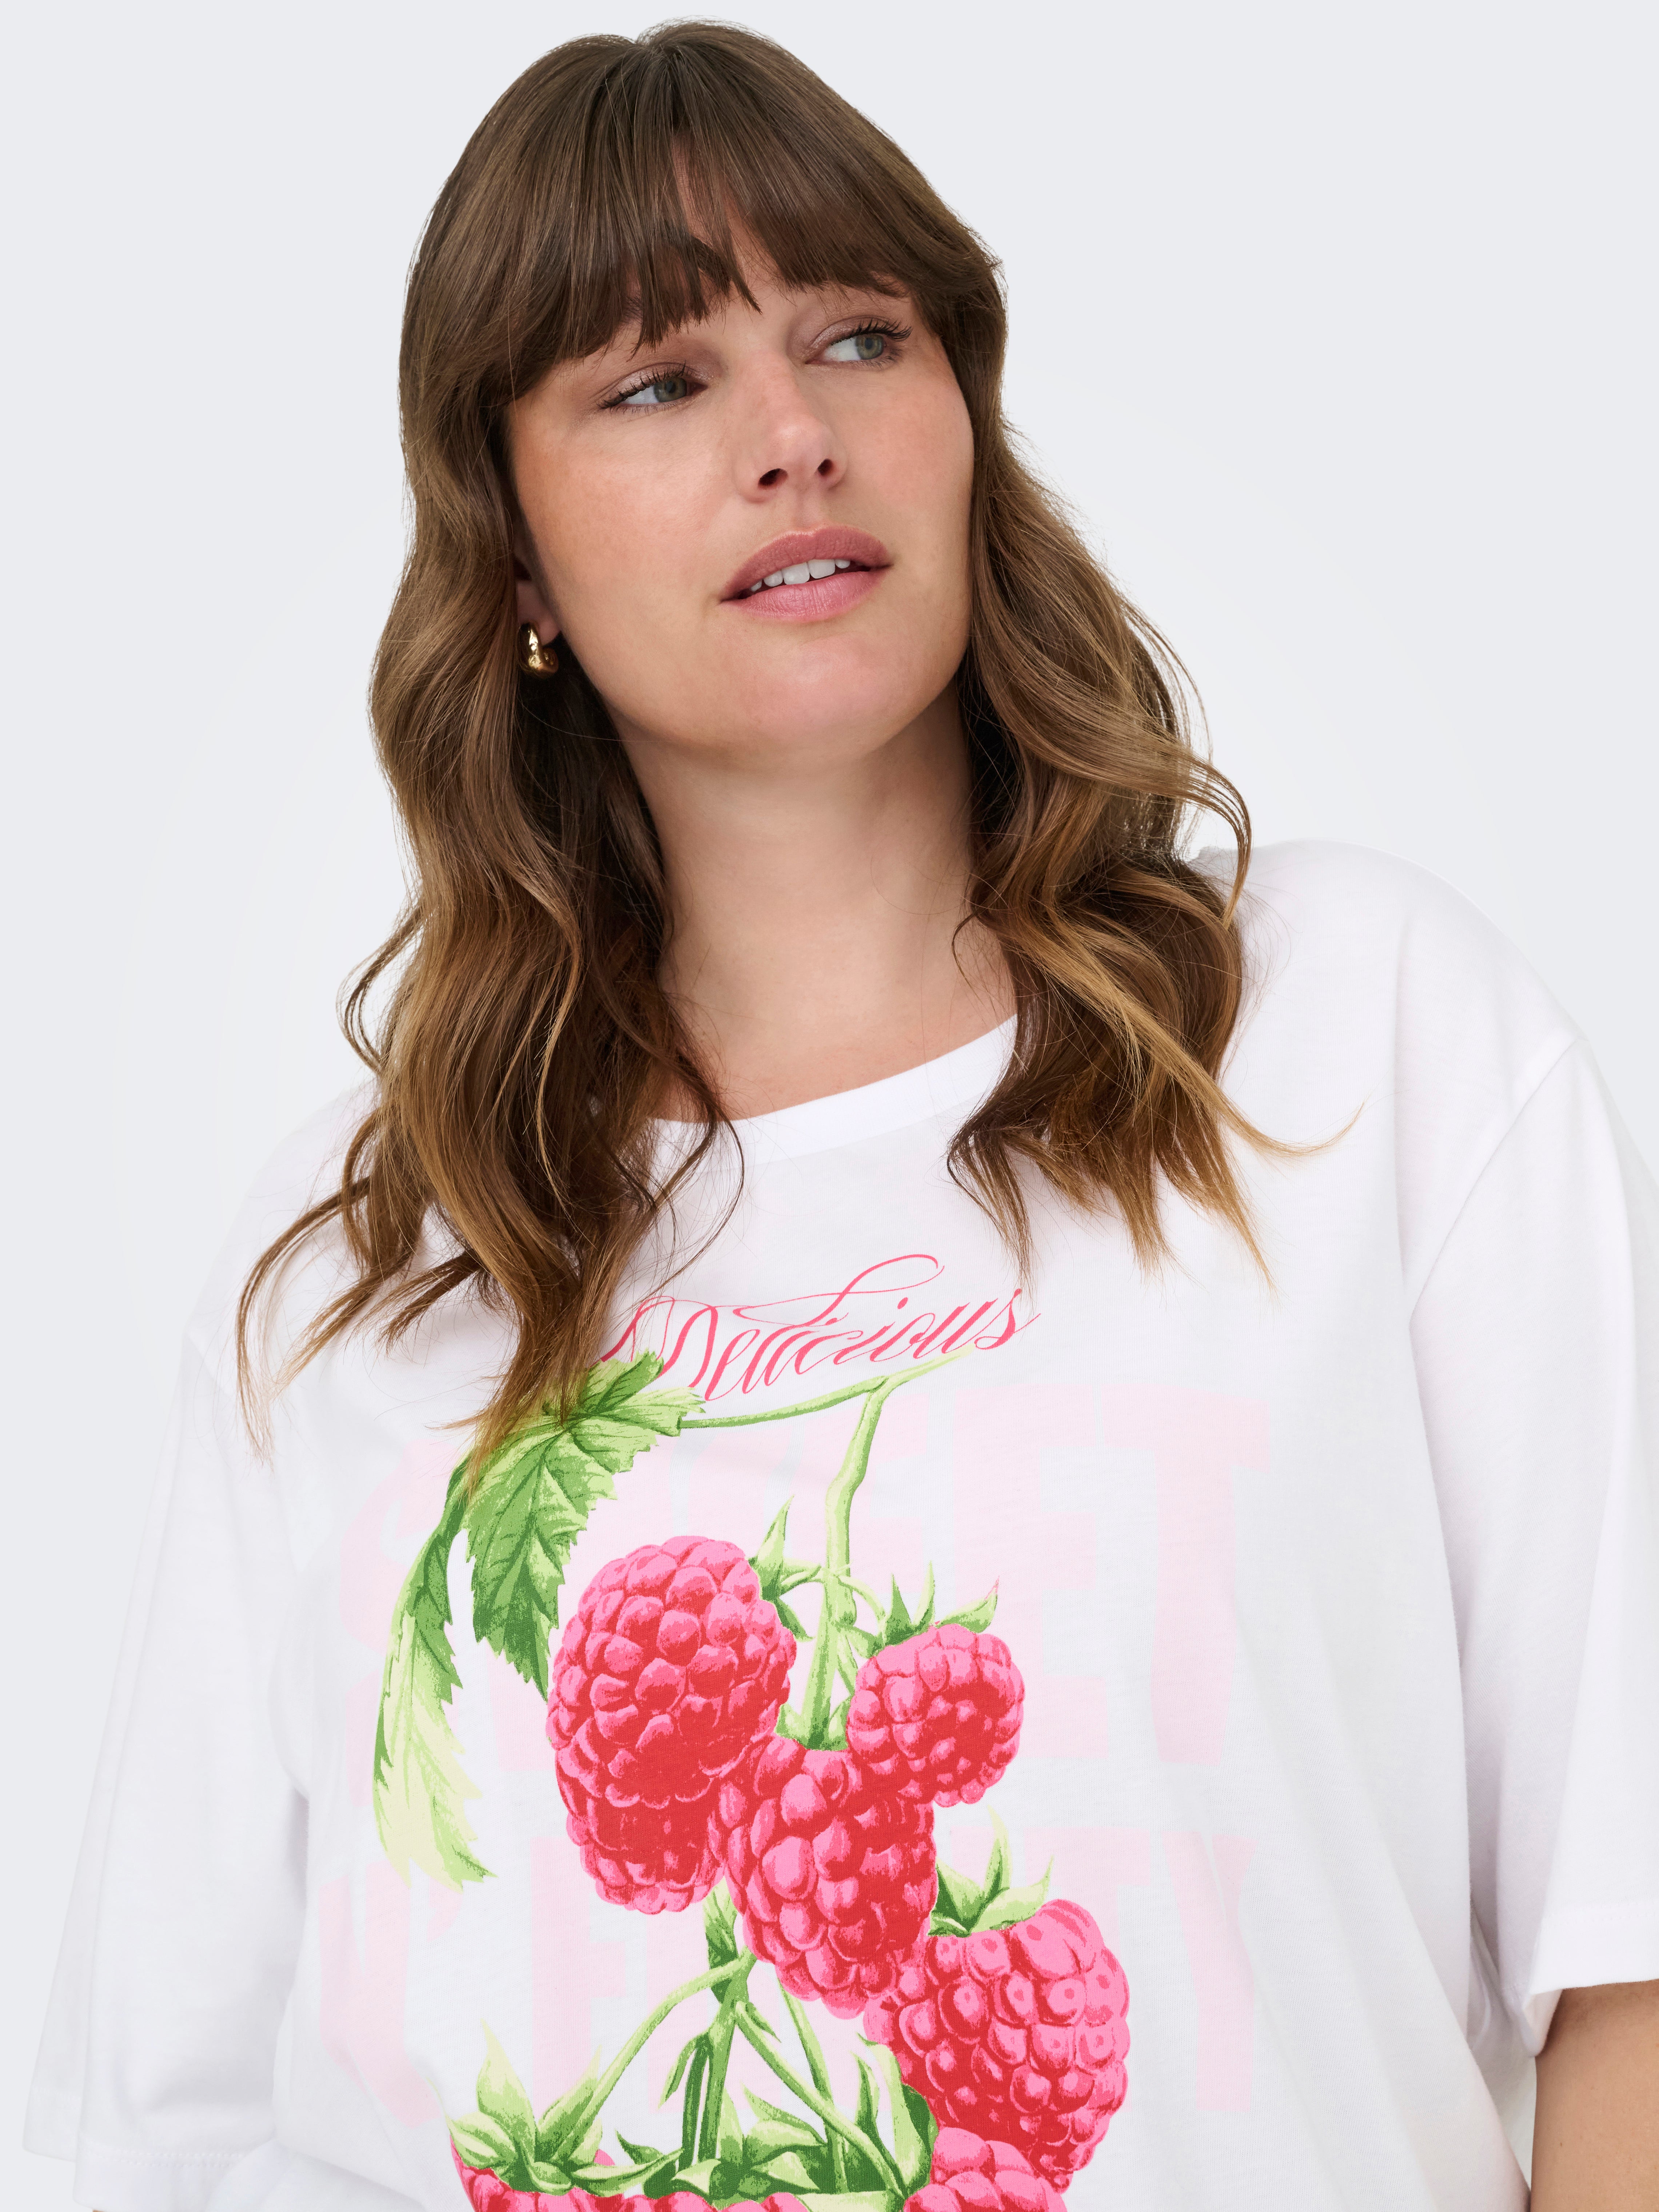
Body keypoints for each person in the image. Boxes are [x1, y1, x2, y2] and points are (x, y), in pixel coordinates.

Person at [25, 23, 1659, 2212]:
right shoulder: (367, 1260)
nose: (792, 434)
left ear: (965, 422)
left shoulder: (1352, 1045)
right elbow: (174, 2126)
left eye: (860, 337)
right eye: (655, 381)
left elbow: (1628, 1952)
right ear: (514, 561)